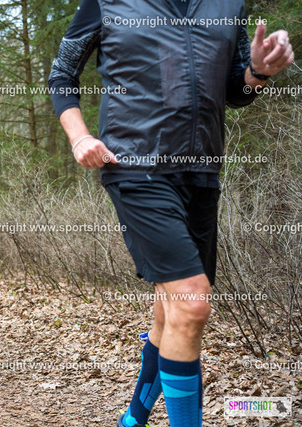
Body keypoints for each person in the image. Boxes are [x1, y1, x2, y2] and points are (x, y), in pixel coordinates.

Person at [48, 2, 294, 426]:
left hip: (202, 173)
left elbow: (235, 91)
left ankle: (133, 418)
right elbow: (62, 73)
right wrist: (79, 136)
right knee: (193, 303)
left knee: (172, 310)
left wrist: (258, 72)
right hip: (134, 165)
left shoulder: (227, 4)